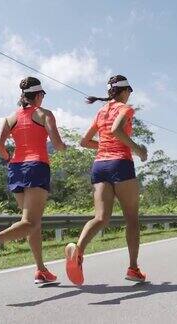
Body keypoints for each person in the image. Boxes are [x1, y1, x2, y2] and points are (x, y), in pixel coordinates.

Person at [0, 77, 66, 284]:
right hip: (37, 167)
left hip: (15, 169)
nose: (43, 98)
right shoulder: (45, 114)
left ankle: (41, 270)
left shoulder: (10, 118)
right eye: (42, 95)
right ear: (37, 95)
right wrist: (64, 148)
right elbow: (57, 143)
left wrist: (10, 159)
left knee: (32, 223)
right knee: (30, 222)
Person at [65, 75, 148, 285]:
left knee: (101, 217)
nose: (129, 95)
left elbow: (84, 142)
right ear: (124, 91)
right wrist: (139, 150)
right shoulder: (125, 109)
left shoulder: (100, 112)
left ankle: (78, 250)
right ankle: (133, 268)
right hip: (120, 164)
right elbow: (116, 130)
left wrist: (103, 147)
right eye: (129, 91)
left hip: (100, 166)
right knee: (132, 220)